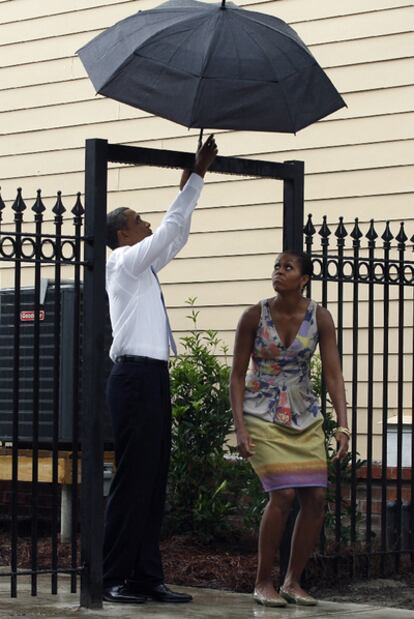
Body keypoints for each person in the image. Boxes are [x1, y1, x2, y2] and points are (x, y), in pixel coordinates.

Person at [103, 136, 218, 604]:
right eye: (137, 221)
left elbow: (177, 232)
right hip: (133, 378)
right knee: (133, 478)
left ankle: (145, 576)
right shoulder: (122, 263)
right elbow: (168, 229)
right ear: (123, 235)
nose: (145, 223)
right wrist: (198, 174)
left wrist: (191, 177)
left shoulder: (142, 267)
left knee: (153, 479)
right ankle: (112, 577)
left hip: (151, 377)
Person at [230, 250, 349, 607]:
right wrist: (239, 429)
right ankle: (262, 582)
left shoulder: (320, 318)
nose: (279, 272)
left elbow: (333, 373)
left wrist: (343, 425)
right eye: (276, 267)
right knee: (282, 495)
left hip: (304, 415)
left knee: (315, 498)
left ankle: (292, 582)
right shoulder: (253, 317)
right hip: (261, 414)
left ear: (304, 279)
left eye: (288, 267)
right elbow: (236, 376)